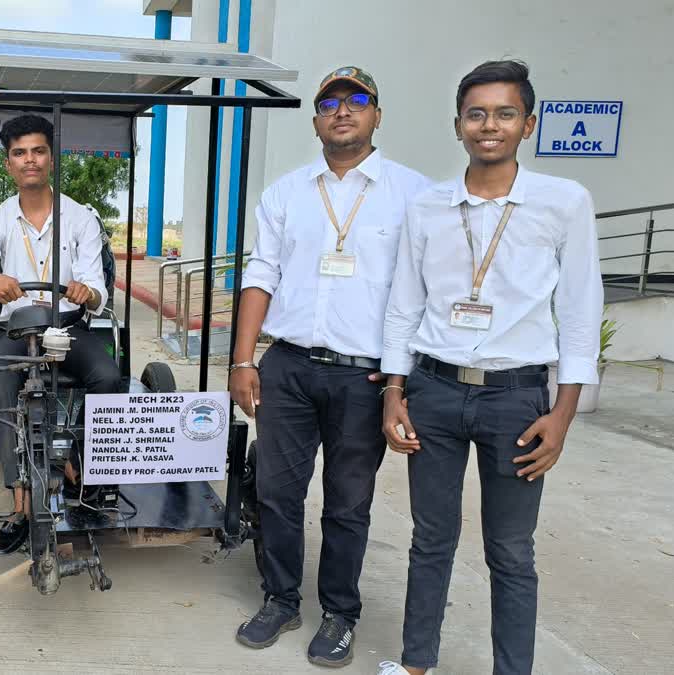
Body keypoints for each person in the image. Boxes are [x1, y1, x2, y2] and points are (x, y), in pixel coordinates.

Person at [375, 60, 602, 675]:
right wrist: (395, 392)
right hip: (435, 393)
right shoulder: (428, 207)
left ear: (527, 124)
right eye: (476, 114)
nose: (489, 126)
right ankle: (416, 662)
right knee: (431, 541)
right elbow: (404, 305)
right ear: (458, 126)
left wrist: (563, 415)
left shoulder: (563, 203)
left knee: (510, 550)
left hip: (517, 399)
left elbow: (580, 312)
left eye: (504, 113)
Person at [229, 66, 431, 666]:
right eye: (329, 102)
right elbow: (260, 275)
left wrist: (401, 380)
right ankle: (280, 599)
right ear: (316, 118)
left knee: (347, 503)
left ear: (376, 114)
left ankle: (340, 613)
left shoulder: (413, 193)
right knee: (277, 495)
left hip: (364, 376)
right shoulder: (287, 192)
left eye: (357, 100)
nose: (342, 110)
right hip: (288, 367)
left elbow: (420, 291)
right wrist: (244, 359)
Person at [0, 114, 121, 555]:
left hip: (69, 330)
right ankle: (19, 500)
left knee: (107, 377)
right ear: (9, 162)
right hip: (18, 330)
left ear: (51, 158)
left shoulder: (80, 218)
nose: (29, 160)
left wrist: (86, 290)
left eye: (37, 151)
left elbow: (96, 292)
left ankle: (91, 473)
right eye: (19, 153)